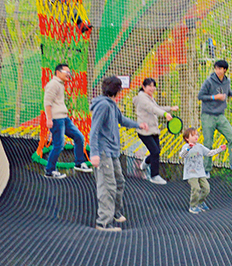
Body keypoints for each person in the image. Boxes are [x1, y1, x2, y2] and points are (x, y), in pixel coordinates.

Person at [88, 76, 147, 232]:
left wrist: (138, 125)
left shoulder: (112, 106)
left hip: (112, 152)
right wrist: (94, 153)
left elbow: (122, 120)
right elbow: (94, 130)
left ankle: (114, 212)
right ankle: (103, 222)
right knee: (107, 186)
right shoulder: (103, 106)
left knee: (119, 181)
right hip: (103, 152)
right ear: (118, 90)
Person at [197, 59, 232, 172]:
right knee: (208, 143)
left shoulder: (227, 81)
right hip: (208, 115)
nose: (217, 71)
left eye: (220, 69)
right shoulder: (209, 81)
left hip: (220, 115)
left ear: (225, 70)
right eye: (216, 68)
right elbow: (200, 96)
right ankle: (206, 169)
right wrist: (215, 97)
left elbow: (228, 92)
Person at [42, 62, 90, 178]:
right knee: (58, 145)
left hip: (64, 118)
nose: (69, 74)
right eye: (66, 72)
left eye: (69, 72)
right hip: (56, 119)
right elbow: (47, 102)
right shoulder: (53, 84)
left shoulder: (60, 84)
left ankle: (79, 163)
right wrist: (49, 119)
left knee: (79, 137)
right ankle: (50, 170)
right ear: (58, 73)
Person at [133, 77, 178, 185]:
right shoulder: (142, 98)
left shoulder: (149, 97)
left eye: (154, 86)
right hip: (144, 131)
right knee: (155, 152)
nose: (152, 88)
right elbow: (153, 109)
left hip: (153, 129)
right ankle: (154, 176)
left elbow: (157, 107)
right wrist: (165, 114)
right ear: (143, 87)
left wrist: (169, 108)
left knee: (157, 151)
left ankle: (146, 162)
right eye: (149, 86)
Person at [179, 126, 225, 214]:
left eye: (197, 135)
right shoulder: (185, 147)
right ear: (187, 138)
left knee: (206, 188)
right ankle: (193, 206)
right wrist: (188, 148)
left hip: (200, 173)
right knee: (196, 188)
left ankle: (200, 202)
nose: (196, 137)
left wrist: (219, 149)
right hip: (191, 173)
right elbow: (182, 155)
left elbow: (209, 153)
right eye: (193, 135)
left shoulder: (200, 147)